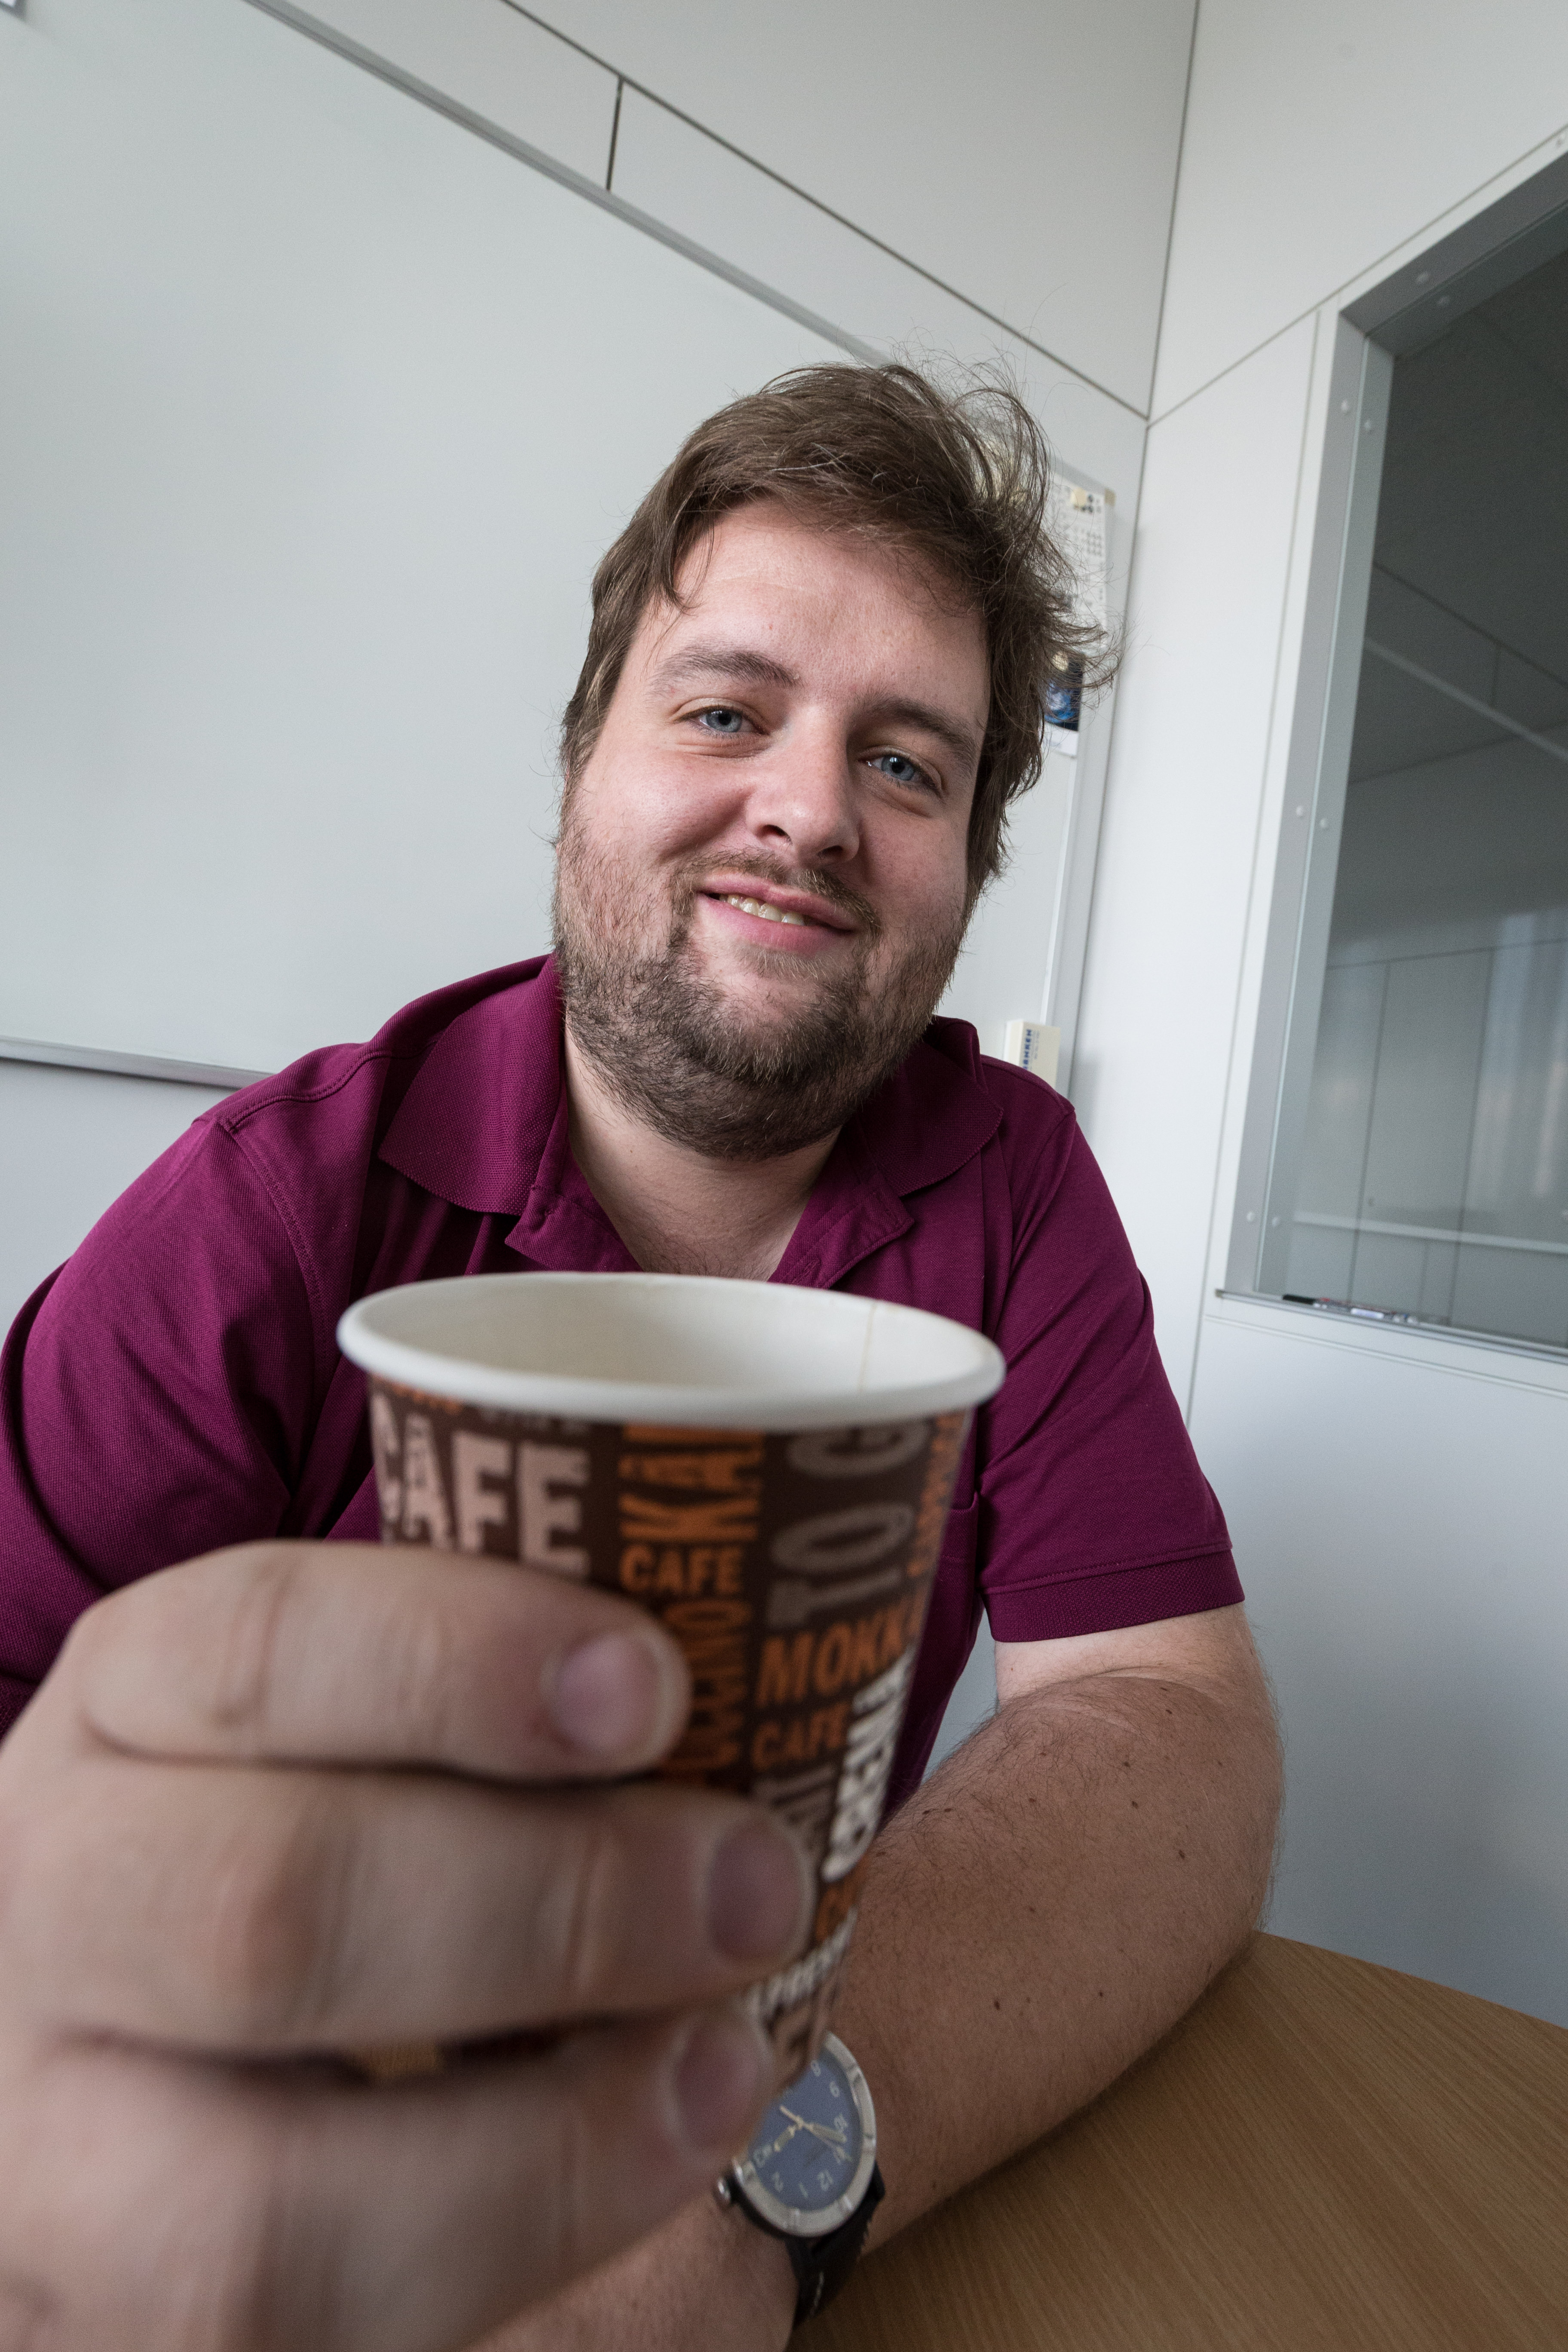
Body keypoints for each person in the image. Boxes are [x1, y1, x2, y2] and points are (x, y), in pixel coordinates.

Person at [0, 364, 1280, 2352]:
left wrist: (769, 2158)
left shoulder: (1017, 1185)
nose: (811, 811)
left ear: (965, 866)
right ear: (582, 753)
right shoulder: (272, 1203)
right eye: (726, 712)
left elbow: (1170, 1721)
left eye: (908, 765)